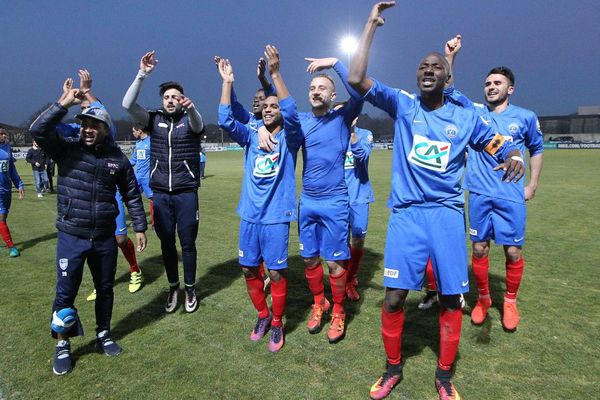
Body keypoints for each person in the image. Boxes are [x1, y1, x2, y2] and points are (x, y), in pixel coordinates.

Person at [347, 3, 525, 399]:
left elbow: (500, 143)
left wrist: (512, 154)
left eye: (436, 67)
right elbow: (356, 77)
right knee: (394, 297)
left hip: (445, 216)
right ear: (418, 76)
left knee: (449, 296)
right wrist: (369, 26)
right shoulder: (403, 104)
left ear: (448, 77)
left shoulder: (465, 118)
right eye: (423, 66)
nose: (428, 70)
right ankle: (392, 369)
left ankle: (444, 376)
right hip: (407, 216)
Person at [30, 86, 147, 376]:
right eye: (85, 124)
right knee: (65, 293)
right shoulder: (66, 149)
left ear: (106, 128)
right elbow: (39, 130)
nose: (88, 129)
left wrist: (140, 227)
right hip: (72, 235)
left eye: (95, 125)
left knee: (105, 289)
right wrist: (63, 103)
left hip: (105, 237)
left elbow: (131, 193)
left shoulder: (117, 158)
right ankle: (62, 345)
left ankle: (103, 334)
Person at [443, 35, 544, 331]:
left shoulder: (525, 117)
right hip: (478, 193)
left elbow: (536, 149)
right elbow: (448, 90)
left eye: (497, 83)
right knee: (479, 249)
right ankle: (484, 299)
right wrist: (450, 57)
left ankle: (509, 301)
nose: (491, 87)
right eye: (488, 83)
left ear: (509, 89)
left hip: (511, 194)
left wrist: (533, 185)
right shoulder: (474, 113)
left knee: (512, 251)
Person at [267, 56, 363, 343]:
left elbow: (358, 92)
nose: (316, 91)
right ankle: (318, 303)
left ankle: (338, 312)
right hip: (307, 201)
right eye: (312, 87)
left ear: (333, 96)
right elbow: (281, 111)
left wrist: (336, 63)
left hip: (334, 202)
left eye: (322, 87)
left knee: (334, 264)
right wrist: (276, 75)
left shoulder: (343, 118)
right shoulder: (302, 123)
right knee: (309, 259)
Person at [218, 45, 302, 352]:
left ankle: (278, 323)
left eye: (273, 105)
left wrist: (275, 74)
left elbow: (292, 112)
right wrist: (227, 82)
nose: (267, 108)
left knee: (276, 272)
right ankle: (263, 315)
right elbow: (226, 120)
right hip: (249, 215)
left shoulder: (290, 138)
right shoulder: (252, 135)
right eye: (264, 106)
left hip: (276, 217)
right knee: (248, 269)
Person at [123, 51, 205, 313]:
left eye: (175, 97)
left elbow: (198, 124)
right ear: (162, 100)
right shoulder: (153, 119)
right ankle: (173, 288)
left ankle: (190, 289)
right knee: (167, 243)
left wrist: (192, 109)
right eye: (167, 97)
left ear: (182, 100)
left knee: (188, 244)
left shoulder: (189, 119)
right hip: (161, 194)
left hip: (186, 193)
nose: (171, 100)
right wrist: (142, 75)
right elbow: (127, 105)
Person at [55, 71, 146, 299]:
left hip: (108, 197)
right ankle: (100, 281)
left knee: (120, 239)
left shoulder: (105, 132)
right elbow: (50, 127)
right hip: (82, 203)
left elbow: (102, 113)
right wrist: (63, 99)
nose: (89, 124)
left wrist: (87, 92)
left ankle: (135, 270)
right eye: (83, 108)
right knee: (89, 243)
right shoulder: (74, 134)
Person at [343, 116, 375, 301]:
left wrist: (352, 134)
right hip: (338, 198)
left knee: (358, 240)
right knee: (341, 242)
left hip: (360, 196)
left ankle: (351, 275)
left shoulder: (365, 134)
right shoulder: (333, 136)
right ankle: (346, 279)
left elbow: (362, 156)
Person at [0, 128, 25, 257]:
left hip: (6, 189)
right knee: (1, 218)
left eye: (4, 133)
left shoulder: (7, 148)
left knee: (4, 216)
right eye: (0, 133)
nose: (3, 135)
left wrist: (19, 183)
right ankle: (11, 247)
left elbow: (11, 169)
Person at [130, 124, 154, 226]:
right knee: (133, 198)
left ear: (140, 130)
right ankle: (138, 221)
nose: (133, 133)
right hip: (137, 177)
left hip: (147, 177)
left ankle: (155, 222)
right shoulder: (138, 143)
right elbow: (133, 159)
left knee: (153, 200)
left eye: (134, 131)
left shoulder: (151, 142)